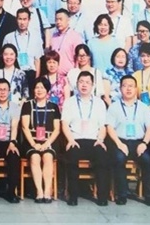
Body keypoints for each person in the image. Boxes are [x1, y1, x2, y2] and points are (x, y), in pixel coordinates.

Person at [106, 75, 150, 206]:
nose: (128, 89)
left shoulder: (144, 107)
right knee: (119, 158)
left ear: (136, 89)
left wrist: (144, 143)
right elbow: (109, 127)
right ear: (120, 88)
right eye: (125, 86)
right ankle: (122, 194)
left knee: (147, 160)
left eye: (131, 86)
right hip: (120, 141)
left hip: (139, 142)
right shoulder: (114, 107)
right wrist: (119, 143)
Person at [62, 71, 110, 206]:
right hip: (76, 140)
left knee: (102, 158)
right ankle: (73, 196)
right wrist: (70, 140)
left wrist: (100, 140)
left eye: (87, 82)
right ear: (77, 84)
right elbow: (64, 124)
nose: (84, 85)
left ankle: (102, 197)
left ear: (93, 85)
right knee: (72, 159)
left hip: (94, 141)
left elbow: (103, 126)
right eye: (81, 82)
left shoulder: (99, 103)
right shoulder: (69, 102)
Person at [21, 77, 60, 203]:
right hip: (31, 142)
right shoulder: (27, 105)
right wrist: (34, 144)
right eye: (37, 87)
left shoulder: (54, 106)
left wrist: (47, 143)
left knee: (48, 157)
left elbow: (57, 129)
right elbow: (25, 127)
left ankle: (47, 191)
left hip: (49, 142)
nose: (39, 90)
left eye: (42, 87)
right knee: (35, 157)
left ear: (47, 90)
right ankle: (39, 191)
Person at [2, 8, 43, 87]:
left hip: (31, 73)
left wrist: (36, 79)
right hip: (14, 73)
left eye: (25, 19)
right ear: (16, 19)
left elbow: (37, 60)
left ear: (29, 20)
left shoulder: (36, 37)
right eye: (20, 19)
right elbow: (4, 58)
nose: (22, 22)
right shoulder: (8, 37)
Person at [49, 9, 83, 77]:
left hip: (69, 75)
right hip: (55, 76)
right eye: (56, 20)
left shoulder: (75, 36)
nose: (58, 22)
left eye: (61, 19)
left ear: (68, 20)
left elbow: (79, 58)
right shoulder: (53, 36)